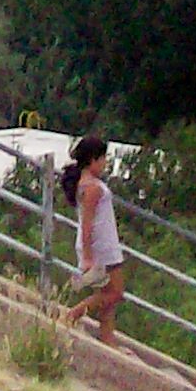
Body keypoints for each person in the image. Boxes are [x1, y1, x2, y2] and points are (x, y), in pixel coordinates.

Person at [58, 134, 128, 344]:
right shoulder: (92, 188)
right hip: (101, 248)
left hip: (104, 244)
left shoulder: (88, 184)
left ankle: (108, 339)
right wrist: (88, 256)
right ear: (93, 159)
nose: (105, 163)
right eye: (102, 158)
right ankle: (72, 315)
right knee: (115, 293)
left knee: (108, 298)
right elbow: (87, 223)